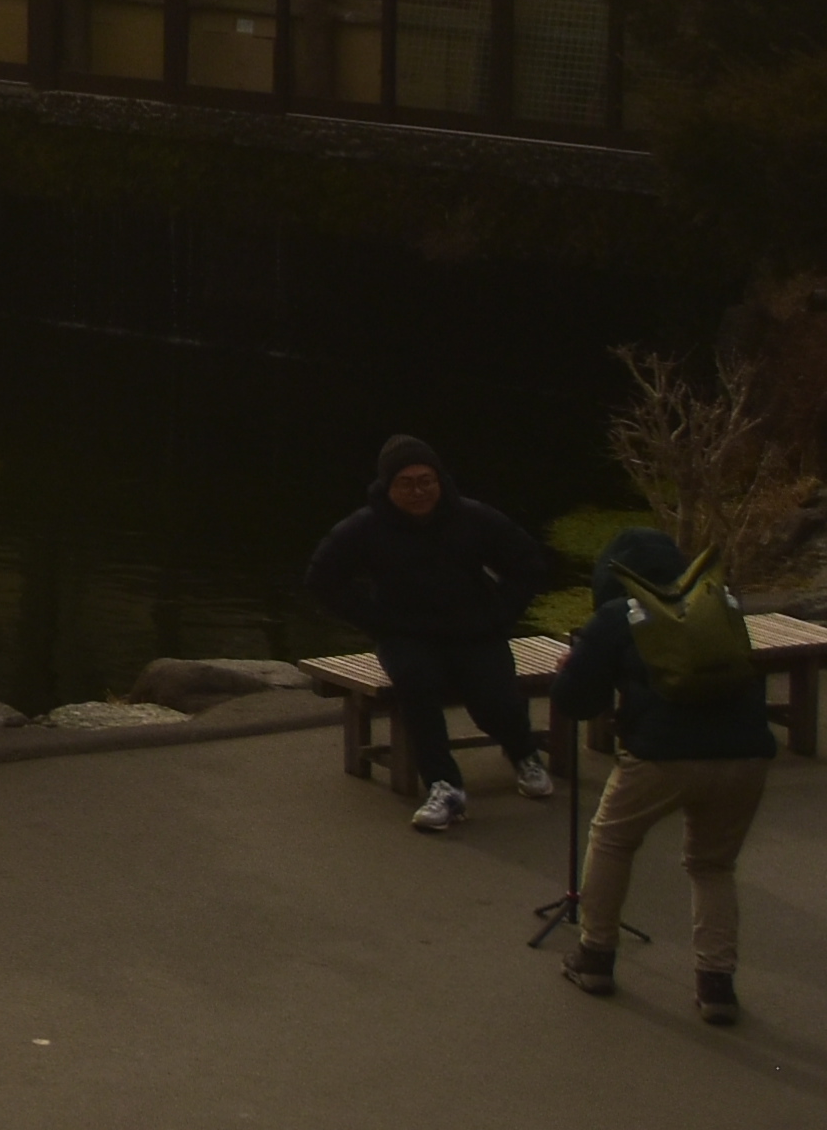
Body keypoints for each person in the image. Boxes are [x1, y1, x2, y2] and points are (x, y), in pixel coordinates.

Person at [557, 523, 773, 1022]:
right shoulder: (720, 603)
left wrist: (574, 666)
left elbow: (576, 702)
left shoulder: (618, 614)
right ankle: (716, 986)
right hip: (745, 755)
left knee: (613, 840)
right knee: (713, 866)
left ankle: (595, 956)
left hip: (662, 756)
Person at [303, 437, 552, 835]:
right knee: (415, 684)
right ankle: (445, 786)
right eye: (406, 483)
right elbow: (322, 578)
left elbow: (528, 564)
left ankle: (524, 754)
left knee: (496, 698)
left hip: (473, 628)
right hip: (407, 634)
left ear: (440, 481)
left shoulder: (473, 517)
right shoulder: (365, 527)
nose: (418, 492)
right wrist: (375, 620)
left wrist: (499, 614)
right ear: (388, 486)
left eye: (426, 481)